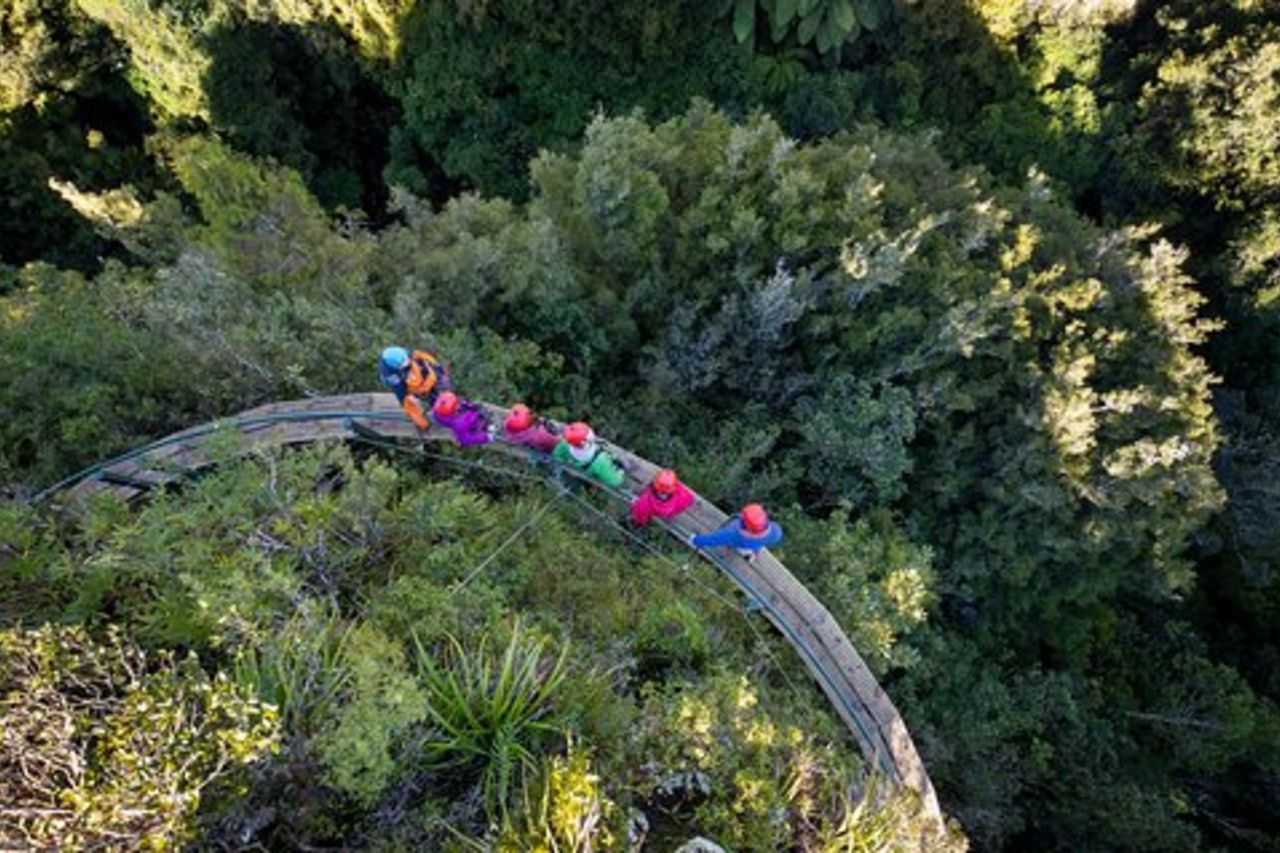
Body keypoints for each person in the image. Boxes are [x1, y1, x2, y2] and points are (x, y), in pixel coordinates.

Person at [379, 346, 452, 430]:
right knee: (412, 397)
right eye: (405, 362)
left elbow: (432, 363)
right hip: (410, 386)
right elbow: (403, 398)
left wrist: (442, 381)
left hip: (423, 378)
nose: (408, 361)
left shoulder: (402, 354)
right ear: (397, 367)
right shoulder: (392, 377)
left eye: (407, 358)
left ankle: (436, 397)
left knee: (432, 381)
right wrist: (423, 424)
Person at [690, 503, 783, 562]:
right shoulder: (775, 531)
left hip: (740, 544)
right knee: (753, 548)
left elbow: (712, 540)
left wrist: (695, 540)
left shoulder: (731, 534)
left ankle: (728, 553)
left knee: (734, 545)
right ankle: (753, 556)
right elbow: (773, 539)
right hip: (756, 544)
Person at [551, 421, 626, 488]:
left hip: (581, 471)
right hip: (598, 470)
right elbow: (615, 481)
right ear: (584, 443)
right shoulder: (599, 461)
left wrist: (570, 467)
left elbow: (556, 456)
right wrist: (621, 471)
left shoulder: (565, 444)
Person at [630, 468, 695, 526]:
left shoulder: (645, 502)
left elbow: (639, 515)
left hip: (646, 514)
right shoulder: (683, 496)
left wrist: (634, 503)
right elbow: (690, 498)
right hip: (668, 513)